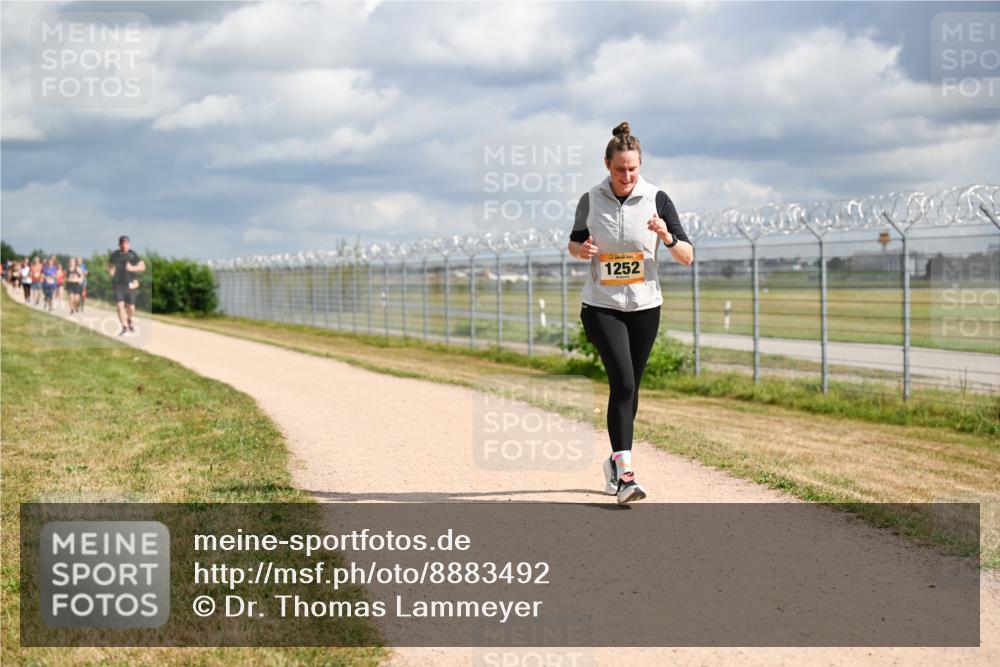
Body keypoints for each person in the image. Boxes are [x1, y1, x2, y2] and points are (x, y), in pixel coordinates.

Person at [567, 121, 693, 504]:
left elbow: (687, 256)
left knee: (631, 388)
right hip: (602, 306)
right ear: (607, 164)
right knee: (622, 383)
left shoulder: (657, 198)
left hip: (644, 306)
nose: (626, 176)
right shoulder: (591, 199)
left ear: (641, 165)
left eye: (633, 168)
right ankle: (626, 475)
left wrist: (666, 235)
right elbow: (574, 244)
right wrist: (583, 251)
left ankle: (613, 461)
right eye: (620, 168)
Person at [108, 235, 145, 336]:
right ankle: (124, 327)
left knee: (131, 307)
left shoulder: (133, 255)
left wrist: (132, 268)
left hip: (131, 283)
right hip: (118, 284)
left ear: (129, 244)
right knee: (120, 306)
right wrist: (111, 273)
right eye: (122, 243)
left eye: (126, 243)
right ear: (119, 244)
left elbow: (142, 266)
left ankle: (129, 319)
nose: (124, 245)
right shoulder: (115, 255)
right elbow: (110, 265)